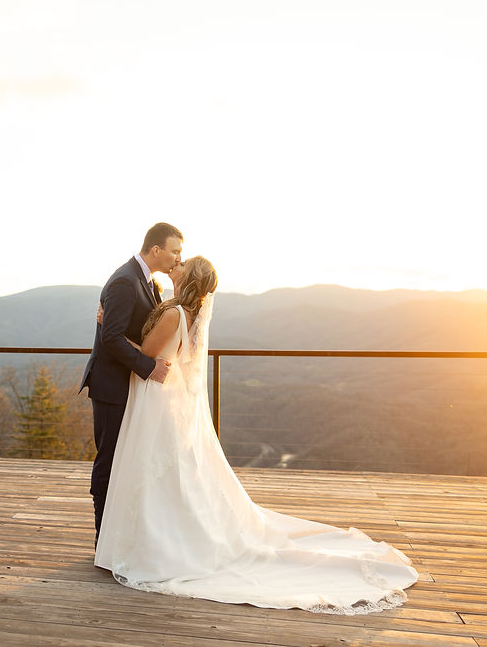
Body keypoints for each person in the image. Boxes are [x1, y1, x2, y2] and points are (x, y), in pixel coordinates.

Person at [94, 257, 419, 614]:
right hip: (169, 401)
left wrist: (114, 330)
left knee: (154, 472)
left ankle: (156, 546)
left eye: (184, 264)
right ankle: (159, 538)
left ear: (189, 279)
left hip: (156, 399)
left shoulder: (174, 315)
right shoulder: (187, 314)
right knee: (169, 476)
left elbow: (150, 354)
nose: (178, 264)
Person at [80, 222, 183, 541]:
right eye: (175, 250)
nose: (178, 257)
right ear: (156, 250)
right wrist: (149, 366)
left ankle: (121, 534)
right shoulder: (125, 281)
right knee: (109, 459)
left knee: (128, 458)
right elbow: (111, 338)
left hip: (131, 385)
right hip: (111, 385)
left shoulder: (149, 282)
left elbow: (133, 328)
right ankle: (102, 539)